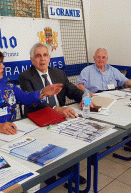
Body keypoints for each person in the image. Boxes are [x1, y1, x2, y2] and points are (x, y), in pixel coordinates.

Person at [19, 42, 86, 187]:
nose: (42, 59)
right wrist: (56, 108)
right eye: (38, 56)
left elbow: (72, 90)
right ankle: (48, 173)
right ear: (32, 60)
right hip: (38, 118)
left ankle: (67, 171)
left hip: (60, 117)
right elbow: (33, 102)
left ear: (49, 58)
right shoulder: (25, 77)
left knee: (71, 140)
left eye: (45, 55)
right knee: (46, 146)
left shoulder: (58, 73)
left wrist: (84, 98)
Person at [0, 48, 62, 135]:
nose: (2, 66)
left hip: (10, 134)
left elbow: (25, 98)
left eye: (1, 62)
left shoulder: (8, 86)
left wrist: (42, 93)